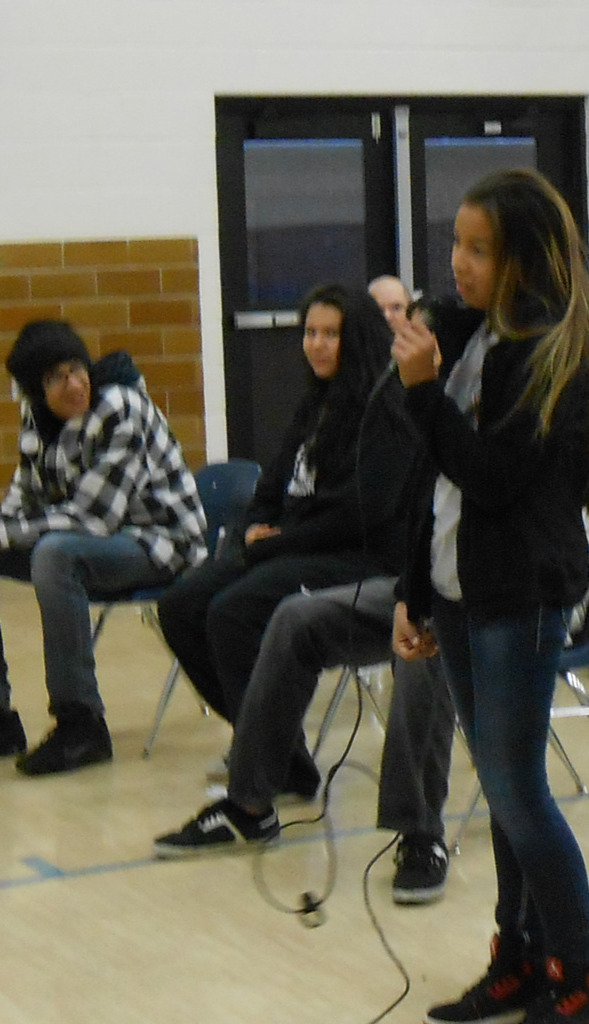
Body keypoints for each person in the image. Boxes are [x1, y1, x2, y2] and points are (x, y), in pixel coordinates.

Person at [391, 168, 589, 1024]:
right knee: (498, 791)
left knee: (519, 789)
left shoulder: (547, 354)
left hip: (519, 595)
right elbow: (436, 489)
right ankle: (521, 958)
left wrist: (422, 393)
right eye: (454, 241)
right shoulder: (478, 339)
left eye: (478, 248)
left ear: (522, 258)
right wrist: (415, 586)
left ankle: (587, 978)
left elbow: (491, 477)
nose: (458, 261)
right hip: (458, 592)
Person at [156, 283, 413, 823]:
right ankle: (285, 754)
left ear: (357, 338)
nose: (317, 345)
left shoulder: (384, 408)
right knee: (181, 606)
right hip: (292, 545)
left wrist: (275, 545)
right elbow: (272, 483)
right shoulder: (314, 400)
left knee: (232, 613)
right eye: (310, 333)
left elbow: (357, 515)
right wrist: (253, 523)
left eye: (330, 334)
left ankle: (264, 768)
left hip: (356, 558)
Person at [0, 319, 207, 775]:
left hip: (160, 544)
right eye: (57, 378)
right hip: (100, 539)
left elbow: (93, 520)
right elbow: (24, 495)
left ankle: (81, 725)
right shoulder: (38, 421)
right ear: (37, 392)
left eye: (78, 369)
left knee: (55, 555)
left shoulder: (121, 407)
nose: (75, 384)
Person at [153, 575, 457, 902]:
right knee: (295, 618)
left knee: (426, 633)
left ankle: (422, 835)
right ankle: (248, 808)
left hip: (479, 599)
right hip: (410, 587)